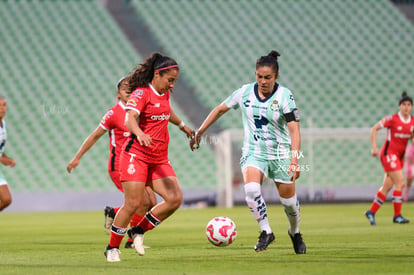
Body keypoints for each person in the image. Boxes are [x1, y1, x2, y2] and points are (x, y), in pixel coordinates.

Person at [190, 50, 306, 254]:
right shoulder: (244, 92)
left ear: (276, 76)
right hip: (254, 151)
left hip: (280, 153)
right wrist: (200, 131)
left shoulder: (284, 96)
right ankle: (266, 232)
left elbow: (294, 130)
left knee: (289, 203)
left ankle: (295, 232)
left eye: (267, 77)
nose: (263, 81)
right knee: (251, 190)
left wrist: (294, 160)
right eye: (259, 76)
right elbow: (219, 109)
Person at [104, 53, 194, 262]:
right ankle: (111, 248)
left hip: (159, 159)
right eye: (169, 80)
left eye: (174, 81)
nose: (172, 86)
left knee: (174, 199)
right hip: (136, 156)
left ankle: (137, 230)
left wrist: (182, 127)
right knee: (133, 203)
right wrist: (139, 133)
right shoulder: (141, 94)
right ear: (157, 75)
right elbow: (130, 118)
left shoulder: (163, 93)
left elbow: (166, 111)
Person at [66, 78, 157, 248]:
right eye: (125, 89)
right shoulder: (113, 114)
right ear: (118, 93)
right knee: (142, 202)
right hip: (120, 166)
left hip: (139, 162)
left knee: (151, 202)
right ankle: (131, 241)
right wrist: (77, 157)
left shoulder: (140, 111)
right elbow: (94, 136)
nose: (129, 91)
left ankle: (113, 212)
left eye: (132, 88)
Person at [365, 91, 414, 225]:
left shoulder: (413, 122)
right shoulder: (392, 119)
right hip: (388, 154)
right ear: (399, 106)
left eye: (409, 105)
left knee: (387, 187)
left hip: (399, 157)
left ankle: (371, 211)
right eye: (404, 104)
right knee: (400, 183)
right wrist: (374, 147)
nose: (406, 107)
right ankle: (397, 215)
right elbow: (374, 129)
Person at [0, 96, 16, 211]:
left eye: (4, 105)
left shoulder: (3, 124)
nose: (2, 108)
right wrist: (2, 160)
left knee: (6, 199)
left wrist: (6, 158)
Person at [403, 135, 414, 201]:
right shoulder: (410, 148)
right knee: (409, 181)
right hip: (411, 166)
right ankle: (406, 195)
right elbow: (409, 158)